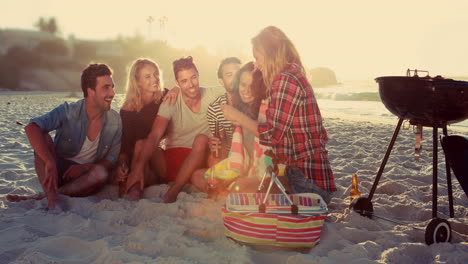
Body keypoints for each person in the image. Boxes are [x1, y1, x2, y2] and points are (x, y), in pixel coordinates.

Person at [222, 26, 336, 203]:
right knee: (241, 188)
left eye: (258, 58)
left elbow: (271, 136)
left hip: (308, 183)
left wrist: (237, 116)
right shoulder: (289, 75)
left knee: (240, 193)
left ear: (271, 54)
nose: (257, 64)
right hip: (299, 176)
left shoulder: (286, 79)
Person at [124, 56, 224, 202]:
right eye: (184, 81)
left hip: (196, 162)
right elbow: (155, 135)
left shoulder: (213, 94)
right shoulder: (170, 100)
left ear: (198, 75)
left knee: (202, 139)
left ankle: (175, 188)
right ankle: (134, 185)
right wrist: (138, 169)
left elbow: (234, 89)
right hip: (169, 163)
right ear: (177, 83)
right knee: (142, 143)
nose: (191, 85)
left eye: (193, 78)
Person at [23, 63, 122, 210]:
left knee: (101, 173)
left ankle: (48, 196)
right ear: (91, 91)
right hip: (57, 172)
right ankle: (52, 200)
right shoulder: (69, 111)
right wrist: (49, 161)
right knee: (43, 136)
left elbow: (111, 158)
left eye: (112, 87)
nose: (112, 93)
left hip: (86, 178)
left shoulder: (115, 120)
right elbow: (32, 127)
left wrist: (85, 167)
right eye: (106, 87)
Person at [191, 61, 266, 194]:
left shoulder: (264, 110)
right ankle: (223, 189)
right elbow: (234, 157)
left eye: (253, 86)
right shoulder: (238, 108)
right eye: (243, 84)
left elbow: (269, 140)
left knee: (240, 186)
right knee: (197, 176)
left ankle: (223, 192)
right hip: (241, 168)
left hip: (261, 171)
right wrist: (215, 148)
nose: (247, 90)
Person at [116, 58, 169, 198]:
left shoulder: (165, 97)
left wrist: (175, 89)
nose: (155, 79)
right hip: (139, 162)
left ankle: (133, 188)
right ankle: (133, 185)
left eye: (156, 74)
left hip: (158, 161)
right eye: (148, 76)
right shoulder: (127, 109)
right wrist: (122, 164)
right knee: (138, 146)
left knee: (142, 144)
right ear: (137, 81)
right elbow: (125, 145)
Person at [206, 57, 241, 160]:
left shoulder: (253, 102)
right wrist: (214, 145)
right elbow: (218, 145)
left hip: (253, 156)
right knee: (210, 163)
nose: (236, 78)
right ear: (221, 82)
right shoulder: (215, 109)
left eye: (238, 73)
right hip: (229, 157)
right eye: (229, 75)